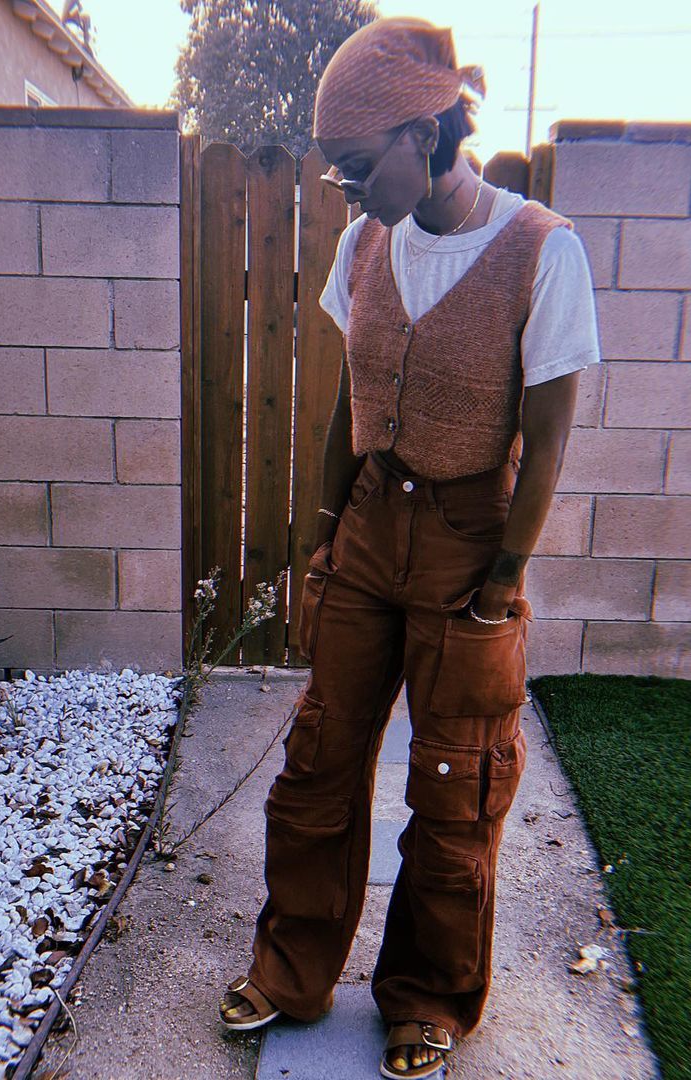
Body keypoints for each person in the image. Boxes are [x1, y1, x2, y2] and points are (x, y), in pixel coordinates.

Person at [218, 15, 601, 1080]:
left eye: (354, 165)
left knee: (454, 779)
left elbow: (549, 439)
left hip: (472, 546)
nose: (344, 189)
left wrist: (500, 588)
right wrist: (321, 536)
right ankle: (293, 967)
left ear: (423, 136)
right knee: (319, 756)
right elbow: (351, 404)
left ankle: (429, 995)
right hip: (369, 531)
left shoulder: (542, 249)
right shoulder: (364, 246)